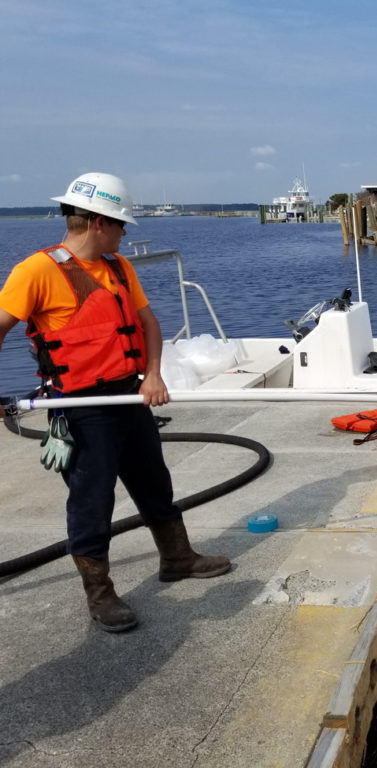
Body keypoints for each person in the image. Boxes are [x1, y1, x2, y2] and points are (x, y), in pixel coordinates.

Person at [0, 172, 230, 633]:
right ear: (97, 222)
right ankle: (100, 595)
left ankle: (177, 558)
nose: (126, 232)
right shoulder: (36, 271)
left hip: (129, 394)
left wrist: (153, 374)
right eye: (121, 224)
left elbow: (147, 323)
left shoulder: (119, 268)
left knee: (153, 482)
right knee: (92, 499)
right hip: (81, 407)